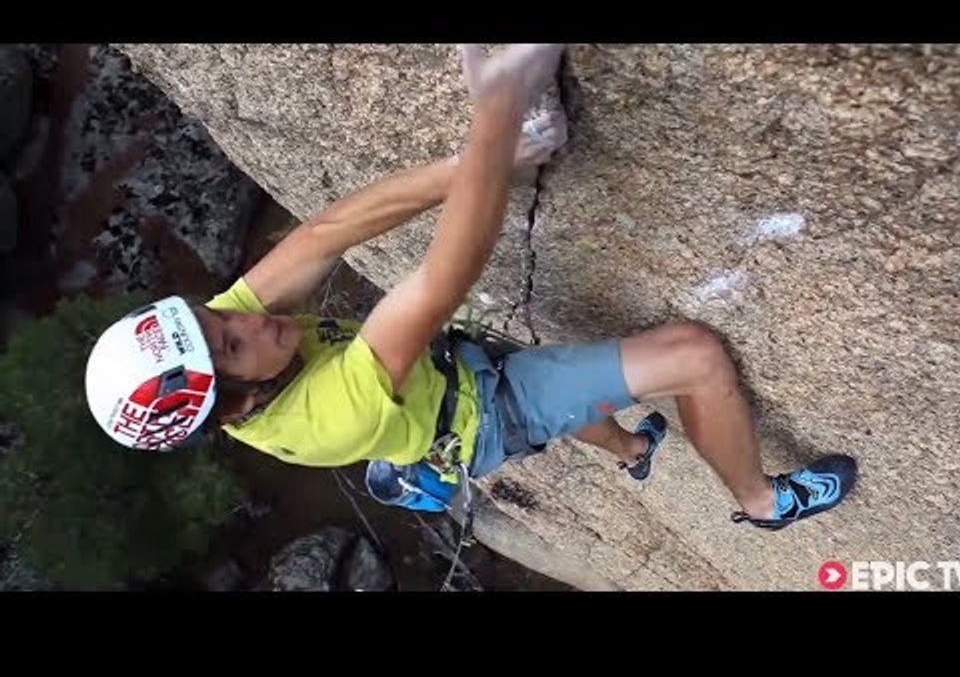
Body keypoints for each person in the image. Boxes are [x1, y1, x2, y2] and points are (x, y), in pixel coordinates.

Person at [85, 44, 856, 532]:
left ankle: (629, 450)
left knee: (564, 391)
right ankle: (762, 504)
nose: (246, 318)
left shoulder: (231, 340)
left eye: (215, 313)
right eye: (232, 344)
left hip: (447, 385)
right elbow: (436, 285)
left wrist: (469, 167)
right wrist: (501, 107)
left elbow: (323, 236)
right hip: (484, 411)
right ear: (237, 406)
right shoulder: (322, 418)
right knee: (693, 356)